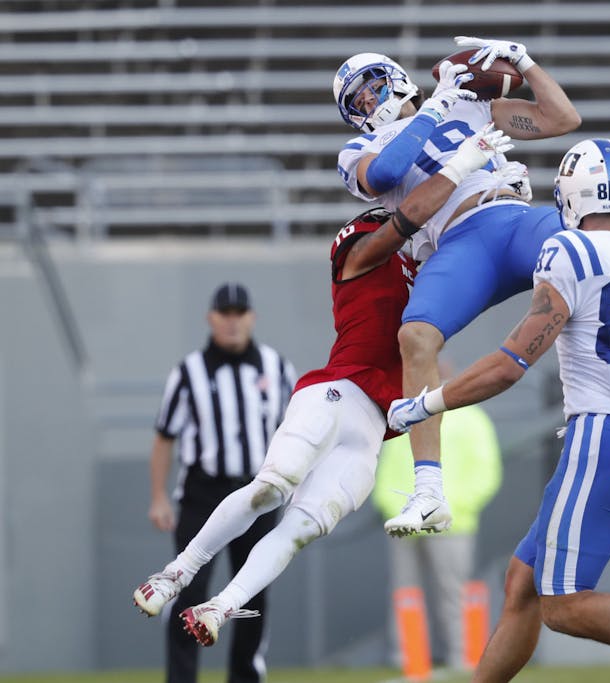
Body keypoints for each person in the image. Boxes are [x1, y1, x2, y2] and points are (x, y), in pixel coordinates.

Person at [132, 125, 515, 652]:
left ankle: (220, 606)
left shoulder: (433, 268)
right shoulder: (360, 244)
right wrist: (461, 163)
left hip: (375, 431)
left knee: (299, 530)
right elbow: (408, 218)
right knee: (274, 486)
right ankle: (176, 574)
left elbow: (466, 258)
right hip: (336, 391)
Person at [387, 139, 610, 683]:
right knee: (523, 583)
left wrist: (425, 403)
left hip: (600, 441)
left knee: (564, 604)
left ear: (572, 198)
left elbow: (510, 364)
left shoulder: (572, 252)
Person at [333, 35, 581, 536]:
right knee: (415, 338)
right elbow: (384, 173)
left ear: (395, 78)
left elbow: (562, 119)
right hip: (458, 242)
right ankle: (428, 492)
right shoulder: (360, 148)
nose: (368, 103)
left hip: (511, 216)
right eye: (356, 102)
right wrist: (434, 108)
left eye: (371, 88)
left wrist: (524, 61)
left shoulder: (468, 105)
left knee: (595, 248)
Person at [143, 282, 297, 683]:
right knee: (188, 591)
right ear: (212, 319)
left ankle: (245, 676)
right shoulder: (189, 372)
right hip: (203, 492)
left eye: (239, 313)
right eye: (225, 314)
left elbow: (294, 430)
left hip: (259, 492)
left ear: (252, 318)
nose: (232, 322)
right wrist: (158, 496)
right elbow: (164, 436)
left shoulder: (276, 367)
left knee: (252, 593)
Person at [373, 362, 502, 671]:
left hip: (452, 521)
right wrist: (394, 509)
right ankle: (411, 664)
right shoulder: (405, 416)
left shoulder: (471, 418)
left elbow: (486, 471)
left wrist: (456, 506)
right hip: (405, 520)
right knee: (406, 594)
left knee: (453, 593)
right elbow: (387, 467)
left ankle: (464, 660)